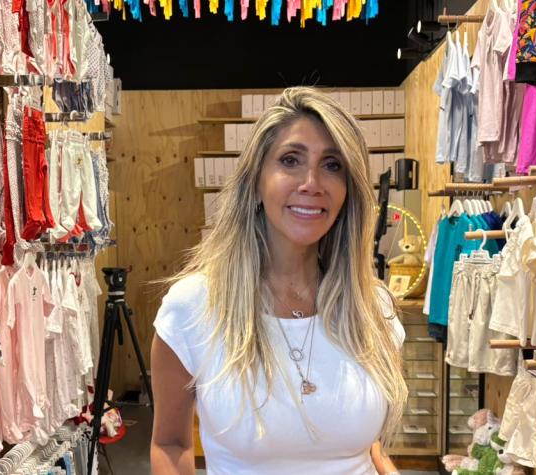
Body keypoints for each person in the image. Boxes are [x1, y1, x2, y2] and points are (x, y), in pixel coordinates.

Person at [150, 87, 408, 475]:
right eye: (290, 160)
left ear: (347, 192)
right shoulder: (193, 307)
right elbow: (170, 443)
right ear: (257, 181)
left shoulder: (374, 309)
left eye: (332, 165)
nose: (312, 182)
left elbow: (366, 448)